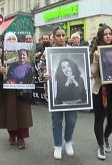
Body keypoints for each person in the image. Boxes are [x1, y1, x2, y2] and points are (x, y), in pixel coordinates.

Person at [42, 27, 78, 160]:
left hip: (72, 92)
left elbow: (79, 68)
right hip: (55, 92)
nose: (61, 38)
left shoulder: (74, 51)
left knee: (71, 119)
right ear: (53, 37)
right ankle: (57, 145)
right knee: (57, 120)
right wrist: (44, 75)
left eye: (63, 35)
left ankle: (68, 141)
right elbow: (40, 70)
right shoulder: (47, 53)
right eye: (58, 35)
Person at [91, 25, 112, 160]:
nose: (108, 36)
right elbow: (93, 73)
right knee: (99, 119)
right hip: (100, 91)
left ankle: (106, 136)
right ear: (100, 36)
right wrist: (96, 60)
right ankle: (101, 145)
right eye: (105, 34)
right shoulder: (96, 52)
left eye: (110, 34)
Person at [0, 32, 33, 150]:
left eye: (14, 39)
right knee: (10, 112)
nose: (12, 41)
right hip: (8, 90)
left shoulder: (23, 52)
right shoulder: (1, 54)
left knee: (22, 113)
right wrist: (1, 72)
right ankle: (12, 135)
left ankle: (22, 137)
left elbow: (29, 67)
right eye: (9, 39)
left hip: (22, 89)